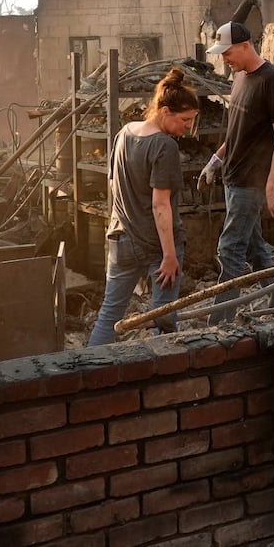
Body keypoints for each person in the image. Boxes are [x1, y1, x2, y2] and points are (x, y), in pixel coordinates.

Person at [88, 67, 200, 344]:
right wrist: (170, 255)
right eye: (185, 119)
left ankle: (86, 370)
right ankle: (161, 375)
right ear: (165, 112)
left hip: (120, 238)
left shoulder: (124, 134)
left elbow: (113, 185)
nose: (189, 126)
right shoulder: (165, 146)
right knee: (163, 317)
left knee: (109, 314)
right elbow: (160, 206)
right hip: (156, 244)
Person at [200, 20, 274, 317]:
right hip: (233, 178)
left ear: (245, 46)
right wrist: (216, 159)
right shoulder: (239, 77)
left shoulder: (272, 80)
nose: (224, 59)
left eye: (227, 53)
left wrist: (271, 186)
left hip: (251, 184)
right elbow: (238, 130)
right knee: (256, 250)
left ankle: (221, 323)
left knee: (229, 249)